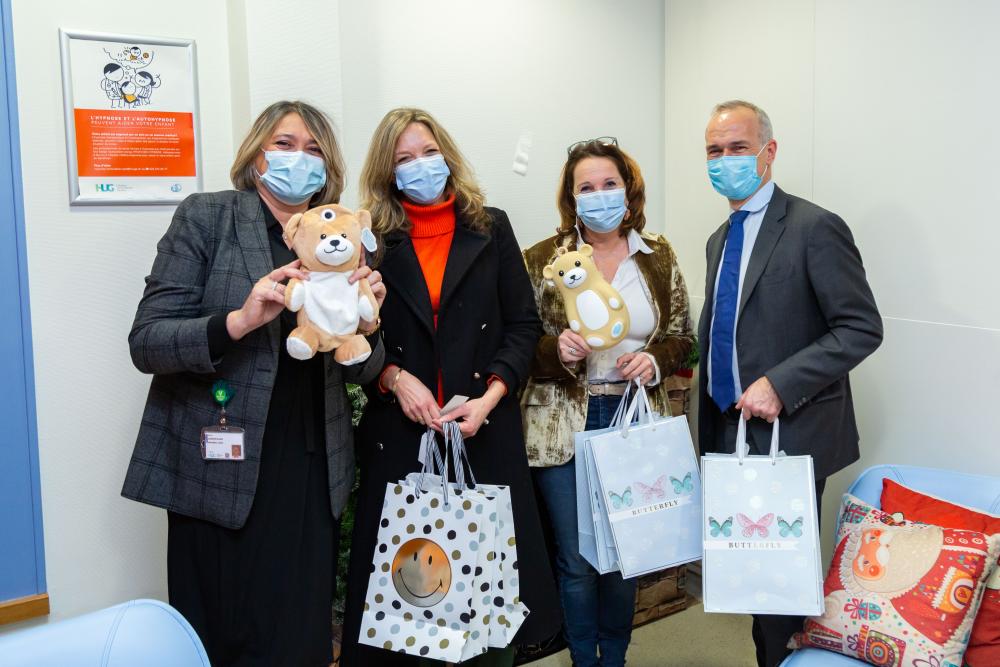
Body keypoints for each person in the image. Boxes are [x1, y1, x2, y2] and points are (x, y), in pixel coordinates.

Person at [122, 100, 386, 667]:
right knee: (220, 633)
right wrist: (239, 321)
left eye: (315, 150)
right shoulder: (208, 217)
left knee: (298, 638)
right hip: (216, 466)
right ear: (256, 154)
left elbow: (364, 369)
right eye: (286, 144)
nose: (300, 159)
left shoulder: (340, 233)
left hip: (310, 462)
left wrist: (368, 326)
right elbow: (147, 341)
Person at [339, 107, 561, 667]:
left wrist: (490, 397)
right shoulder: (370, 240)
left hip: (481, 428)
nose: (420, 166)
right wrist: (393, 377)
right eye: (404, 159)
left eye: (429, 153)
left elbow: (523, 325)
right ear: (387, 172)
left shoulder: (492, 225)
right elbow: (352, 338)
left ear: (448, 156)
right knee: (407, 592)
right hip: (404, 435)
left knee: (487, 595)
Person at [697, 100, 883, 667]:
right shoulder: (718, 239)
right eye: (714, 151)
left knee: (781, 586)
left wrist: (780, 381)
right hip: (729, 432)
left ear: (768, 153)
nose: (725, 160)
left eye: (738, 148)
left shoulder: (813, 227)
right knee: (752, 579)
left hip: (791, 433)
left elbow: (860, 327)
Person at [521, 138, 695, 667]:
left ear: (628, 189)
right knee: (576, 560)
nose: (598, 196)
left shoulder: (657, 255)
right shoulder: (541, 259)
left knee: (625, 553)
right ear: (571, 198)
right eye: (586, 188)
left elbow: (685, 335)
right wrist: (556, 348)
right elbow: (517, 343)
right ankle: (582, 659)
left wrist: (656, 361)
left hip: (634, 420)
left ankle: (613, 659)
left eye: (609, 184)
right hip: (563, 422)